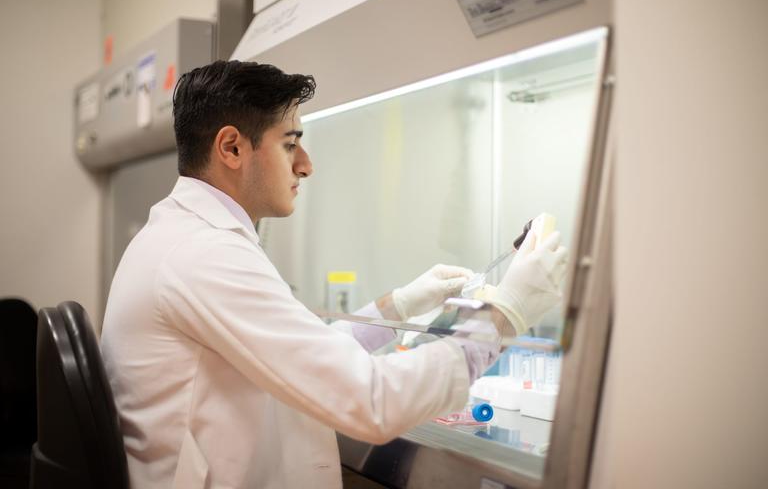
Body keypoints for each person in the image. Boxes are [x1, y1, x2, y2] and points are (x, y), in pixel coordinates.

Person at [100, 60, 567, 489]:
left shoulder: (186, 235)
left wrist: (399, 305)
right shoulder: (203, 253)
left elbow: (300, 353)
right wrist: (506, 313)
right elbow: (372, 401)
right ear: (232, 147)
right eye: (290, 144)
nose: (306, 165)